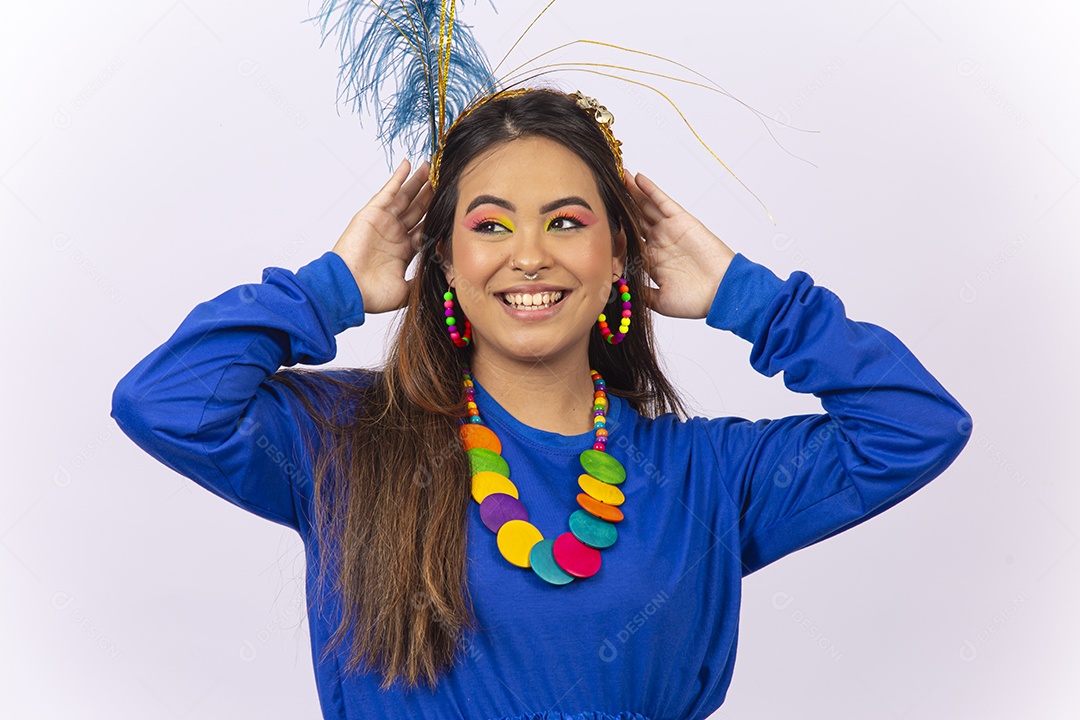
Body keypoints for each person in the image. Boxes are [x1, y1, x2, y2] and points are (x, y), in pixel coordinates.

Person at [111, 88, 971, 720]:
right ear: (441, 259)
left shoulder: (705, 476)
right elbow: (166, 402)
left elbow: (916, 427)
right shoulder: (345, 442)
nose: (529, 256)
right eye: (489, 225)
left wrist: (752, 300)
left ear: (620, 254)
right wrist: (328, 288)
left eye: (566, 221)